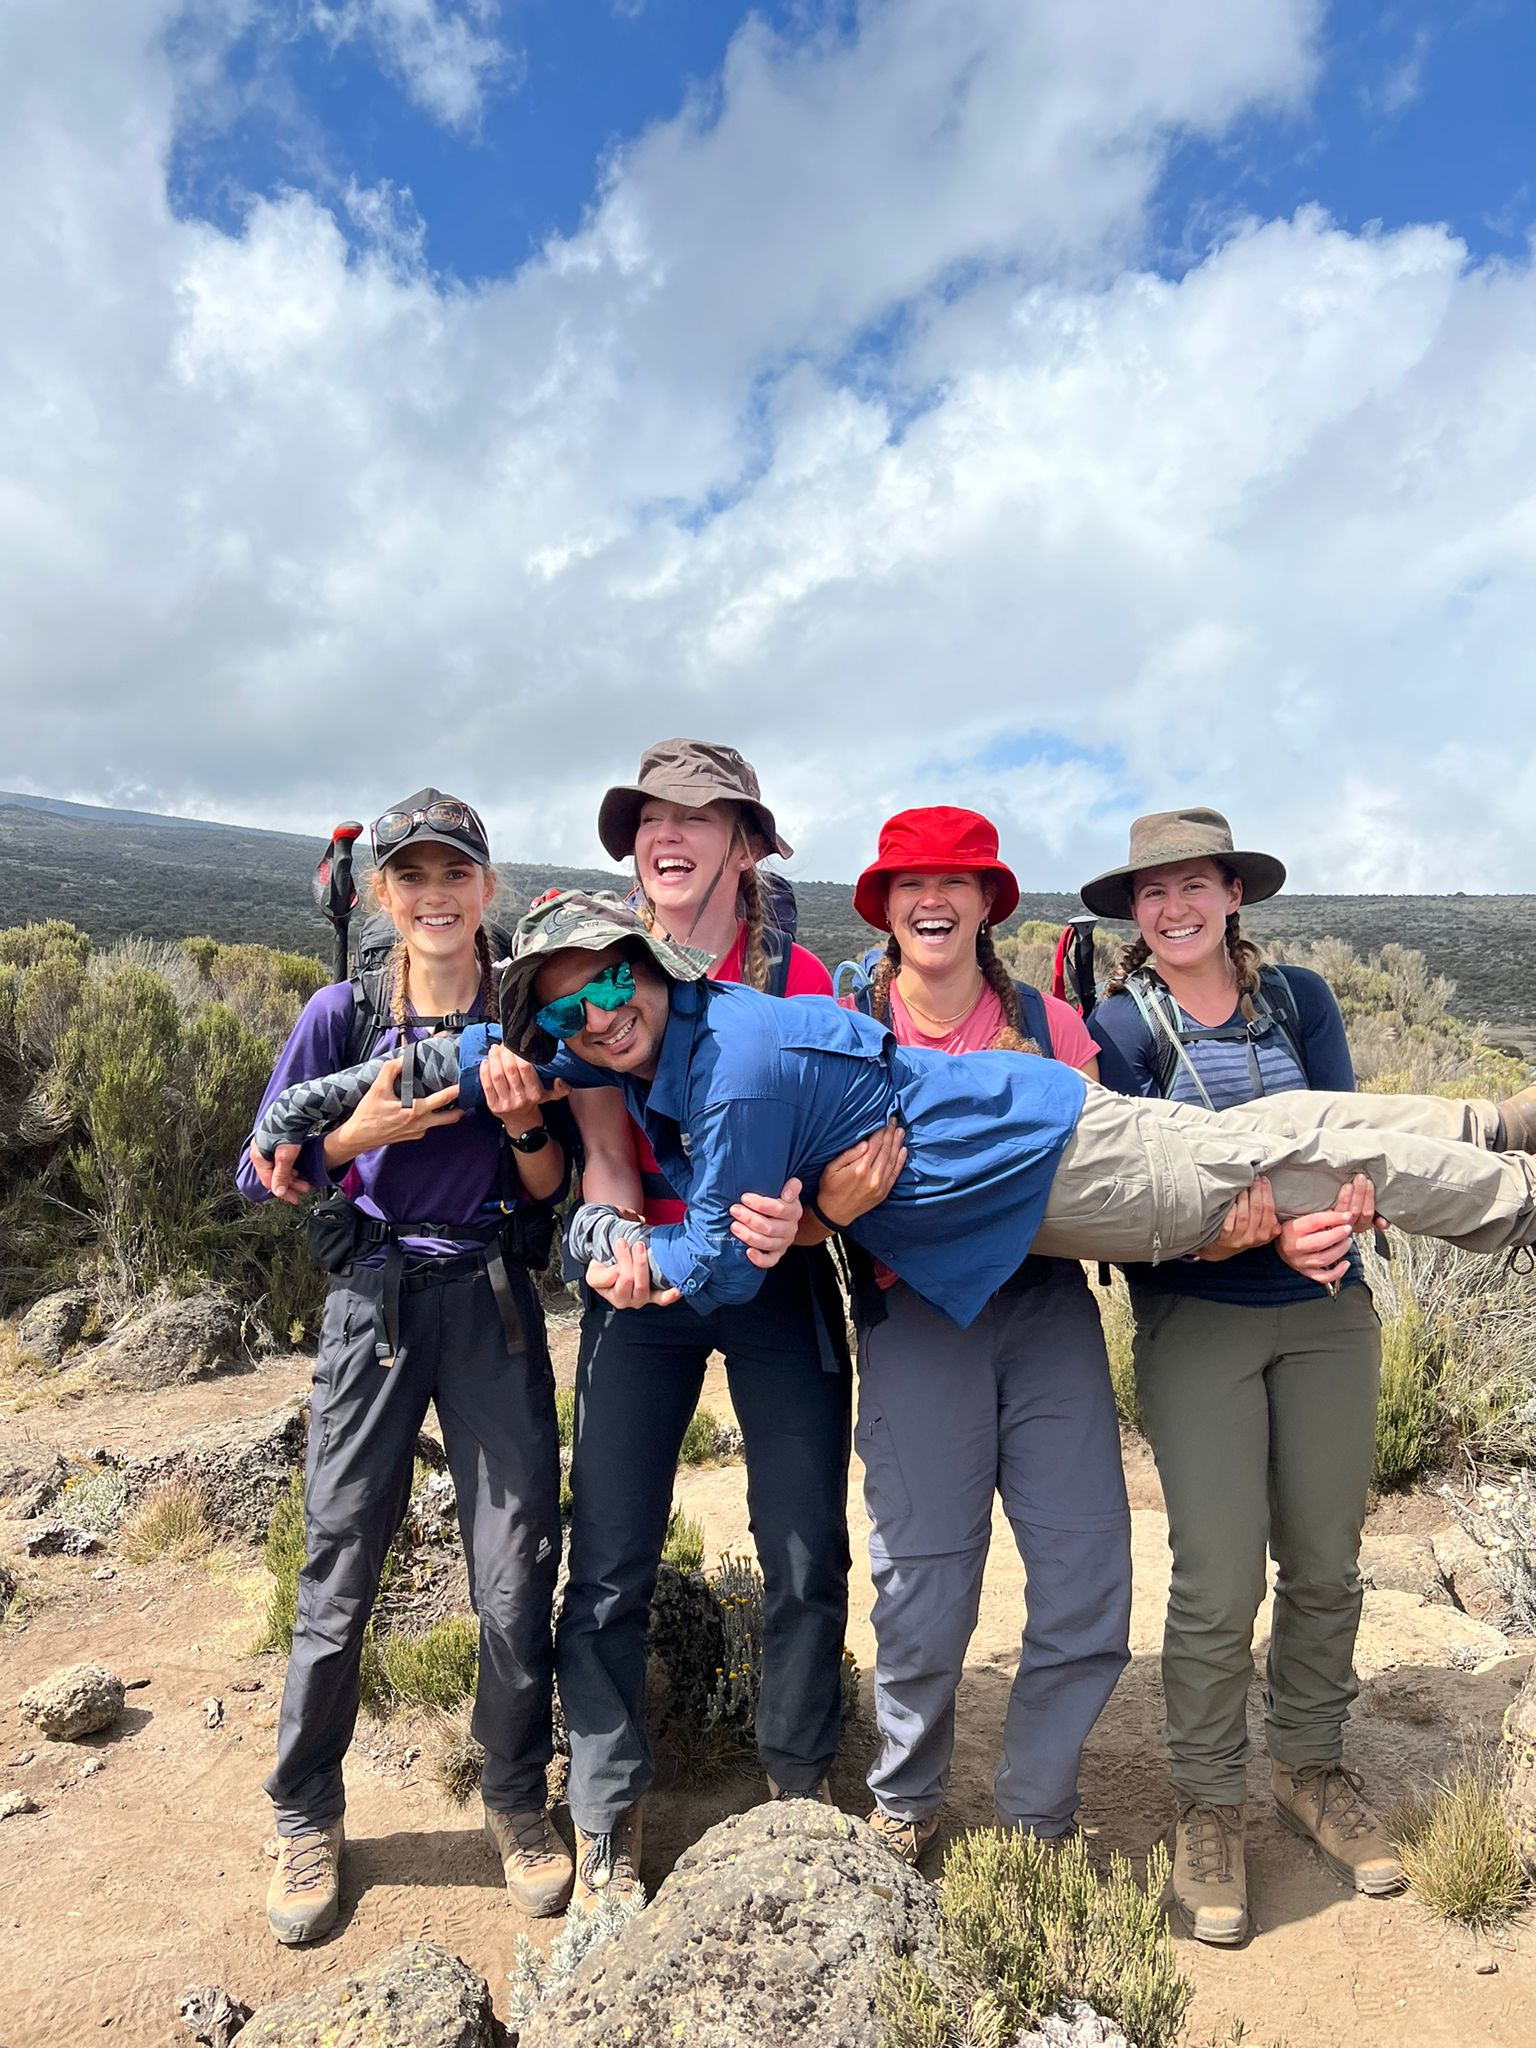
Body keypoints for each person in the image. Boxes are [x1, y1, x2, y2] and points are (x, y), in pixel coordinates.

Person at [497, 891, 1536, 1323]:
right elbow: (586, 1056)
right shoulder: (682, 1029)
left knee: (1290, 1171)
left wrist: (635, 1258)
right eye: (567, 1014)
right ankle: (1492, 1125)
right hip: (1031, 1133)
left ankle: (1518, 1202)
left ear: (650, 968)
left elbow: (722, 1265)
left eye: (605, 986)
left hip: (1048, 1166)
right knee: (1279, 1131)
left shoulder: (734, 1068)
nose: (595, 1017)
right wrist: (532, 1061)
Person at [238, 790, 575, 1943]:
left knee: (517, 1561)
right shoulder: (340, 1015)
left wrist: (527, 1127)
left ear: (487, 889)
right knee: (338, 1562)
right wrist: (348, 1143)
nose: (434, 896)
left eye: (455, 875)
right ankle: (303, 1809)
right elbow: (259, 1169)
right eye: (412, 877)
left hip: (489, 1298)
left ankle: (516, 1792)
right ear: (384, 896)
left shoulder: (521, 1018)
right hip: (370, 1306)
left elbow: (549, 1188)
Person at [1083, 807, 1403, 1942]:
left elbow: (1343, 1129)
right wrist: (1256, 1233)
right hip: (1199, 1321)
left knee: (1327, 1555)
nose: (1172, 908)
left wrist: (1346, 1204)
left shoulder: (1300, 999)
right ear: (1135, 912)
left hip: (1326, 1309)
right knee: (1219, 1577)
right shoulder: (1116, 1028)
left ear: (1231, 896)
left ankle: (1310, 1765)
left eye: (1192, 886)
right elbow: (1131, 1198)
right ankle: (1208, 1796)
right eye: (1151, 892)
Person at [555, 739, 858, 1912]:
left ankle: (795, 1793)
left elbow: (849, 1170)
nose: (663, 835)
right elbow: (603, 1156)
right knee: (611, 1551)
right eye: (645, 819)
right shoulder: (593, 966)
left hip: (779, 1283)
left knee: (803, 1547)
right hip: (650, 1274)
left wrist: (810, 1224)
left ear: (745, 842)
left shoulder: (805, 983)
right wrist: (620, 1250)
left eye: (693, 815)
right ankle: (605, 1817)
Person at [817, 806, 1131, 1863]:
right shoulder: (850, 1020)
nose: (933, 899)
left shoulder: (1052, 1026)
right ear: (887, 905)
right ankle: (907, 1800)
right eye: (911, 883)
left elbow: (1118, 1156)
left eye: (957, 880)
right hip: (916, 1316)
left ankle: (1038, 1811)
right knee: (922, 1580)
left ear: (989, 901)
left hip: (1045, 1308)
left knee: (1088, 1566)